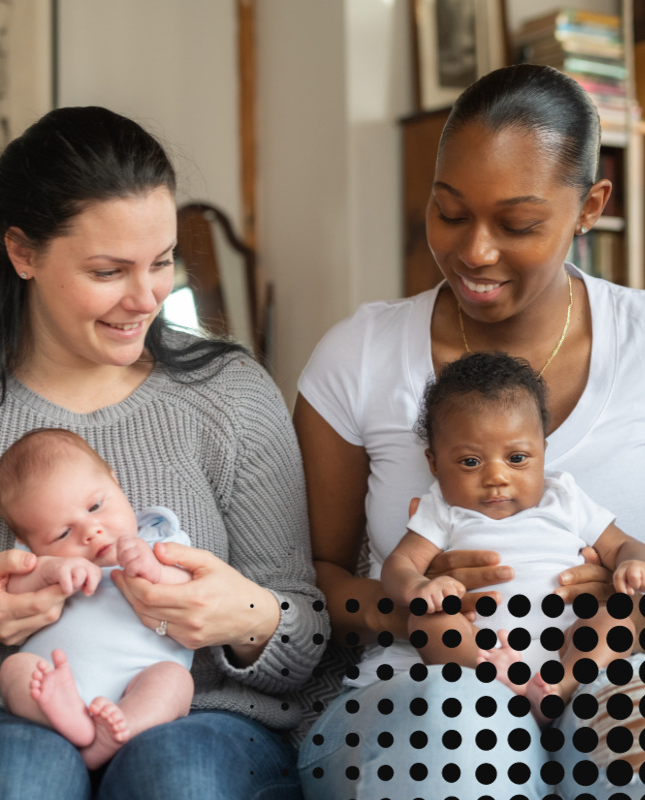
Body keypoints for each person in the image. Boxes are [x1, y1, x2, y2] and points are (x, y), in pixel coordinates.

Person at [0, 105, 327, 799]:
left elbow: (307, 637)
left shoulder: (230, 392)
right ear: (23, 253)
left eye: (162, 263)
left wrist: (245, 617)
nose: (146, 298)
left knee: (177, 778)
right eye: (108, 270)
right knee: (25, 774)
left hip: (203, 719)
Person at [295, 63, 645, 800]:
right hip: (426, 699)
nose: (474, 252)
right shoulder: (358, 357)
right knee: (460, 714)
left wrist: (629, 597)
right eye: (449, 212)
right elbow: (309, 579)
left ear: (591, 206)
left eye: (517, 225)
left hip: (610, 681)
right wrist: (420, 610)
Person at [379, 352, 645, 724]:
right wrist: (417, 587)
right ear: (435, 464)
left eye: (517, 458)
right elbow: (400, 564)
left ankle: (559, 689)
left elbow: (621, 544)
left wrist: (633, 562)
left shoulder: (563, 497)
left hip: (568, 642)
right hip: (484, 650)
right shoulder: (442, 509)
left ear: (543, 452)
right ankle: (491, 681)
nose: (496, 477)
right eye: (471, 462)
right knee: (427, 622)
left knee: (615, 622)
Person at [0, 428, 195, 770]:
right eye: (62, 533)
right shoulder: (36, 563)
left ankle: (124, 727)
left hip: (142, 674)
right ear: (30, 542)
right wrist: (49, 572)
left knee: (175, 681)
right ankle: (72, 721)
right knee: (15, 669)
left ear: (116, 482)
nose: (91, 531)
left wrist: (153, 569)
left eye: (96, 506)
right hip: (57, 680)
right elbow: (8, 600)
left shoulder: (159, 539)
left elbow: (192, 588)